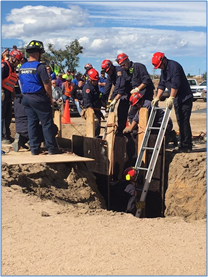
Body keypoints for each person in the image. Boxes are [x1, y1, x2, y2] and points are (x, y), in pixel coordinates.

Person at [19, 40, 62, 155]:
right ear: (38, 53)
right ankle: (52, 148)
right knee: (47, 123)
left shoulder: (22, 67)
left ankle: (34, 148)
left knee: (32, 123)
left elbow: (21, 83)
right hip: (38, 98)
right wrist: (50, 98)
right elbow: (46, 84)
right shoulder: (40, 66)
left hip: (26, 98)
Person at [151, 52, 193, 152]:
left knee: (184, 121)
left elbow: (176, 84)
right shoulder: (164, 71)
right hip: (177, 99)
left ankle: (186, 146)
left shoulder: (174, 67)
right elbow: (161, 84)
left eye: (160, 65)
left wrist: (171, 97)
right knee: (180, 121)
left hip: (185, 98)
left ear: (164, 60)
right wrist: (157, 97)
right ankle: (182, 143)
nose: (160, 67)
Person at [116, 53, 154, 124]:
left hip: (146, 95)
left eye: (124, 65)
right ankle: (134, 132)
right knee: (131, 115)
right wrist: (115, 99)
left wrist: (138, 89)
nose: (123, 67)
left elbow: (146, 80)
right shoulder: (124, 72)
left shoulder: (139, 66)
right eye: (121, 66)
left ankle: (146, 132)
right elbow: (123, 86)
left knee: (145, 112)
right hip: (136, 97)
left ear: (127, 60)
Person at [101, 59, 132, 136]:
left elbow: (118, 87)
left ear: (111, 67)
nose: (108, 73)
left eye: (108, 71)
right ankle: (121, 130)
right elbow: (107, 88)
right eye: (106, 72)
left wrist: (113, 99)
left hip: (129, 92)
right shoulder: (110, 75)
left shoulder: (119, 71)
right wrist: (104, 101)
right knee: (120, 111)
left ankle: (128, 130)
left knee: (127, 112)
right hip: (121, 93)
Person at [2, 52, 21, 143]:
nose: (18, 63)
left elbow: (12, 84)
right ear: (13, 58)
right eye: (17, 61)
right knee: (2, 116)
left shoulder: (13, 69)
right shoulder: (5, 66)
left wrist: (14, 97)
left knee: (8, 115)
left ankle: (6, 135)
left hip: (8, 94)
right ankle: (2, 136)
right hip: (2, 93)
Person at [82, 68, 103, 137]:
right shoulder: (87, 88)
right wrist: (92, 115)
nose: (95, 82)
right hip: (91, 111)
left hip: (97, 110)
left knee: (97, 130)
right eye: (94, 81)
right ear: (90, 79)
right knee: (92, 130)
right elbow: (87, 101)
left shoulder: (95, 86)